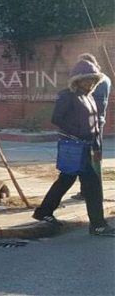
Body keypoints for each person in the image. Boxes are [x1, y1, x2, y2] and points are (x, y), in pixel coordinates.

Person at [33, 58, 114, 236]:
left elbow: (94, 124)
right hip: (73, 146)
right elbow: (57, 119)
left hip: (85, 146)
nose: (90, 82)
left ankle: (44, 212)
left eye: (93, 79)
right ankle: (98, 225)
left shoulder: (89, 97)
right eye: (87, 79)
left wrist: (97, 146)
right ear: (77, 79)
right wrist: (77, 133)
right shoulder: (67, 95)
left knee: (65, 180)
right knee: (92, 185)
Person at [73, 53, 110, 200]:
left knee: (87, 158)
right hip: (99, 120)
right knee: (96, 156)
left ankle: (89, 191)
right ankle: (94, 190)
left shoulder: (94, 80)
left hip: (89, 122)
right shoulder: (106, 79)